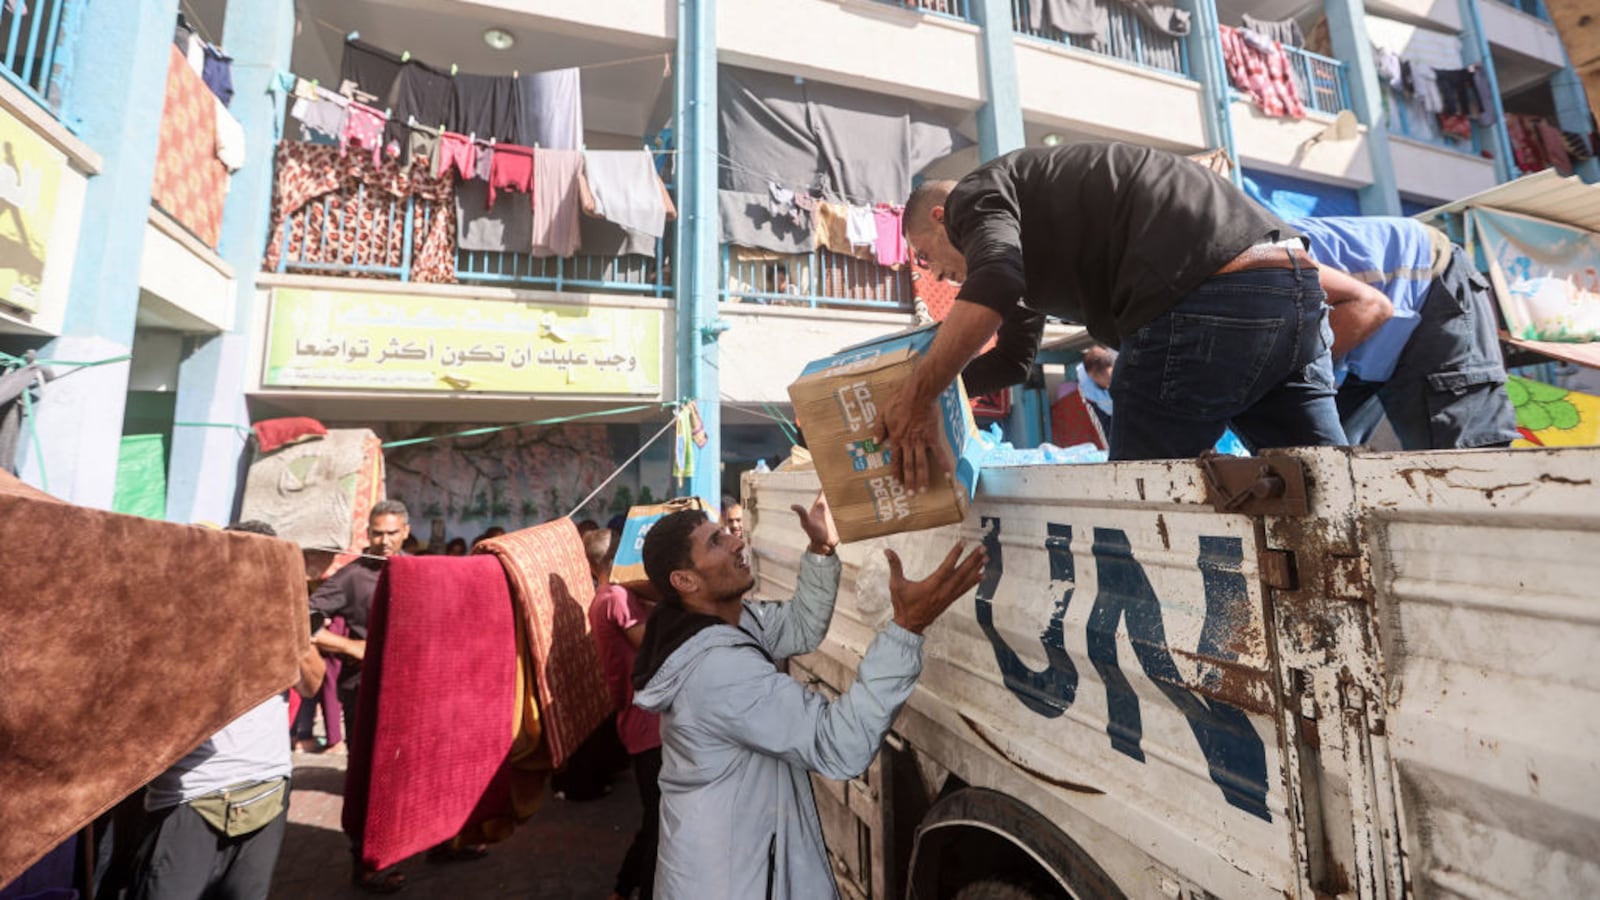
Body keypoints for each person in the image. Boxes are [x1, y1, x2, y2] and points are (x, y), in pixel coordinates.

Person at [891, 141, 1345, 480]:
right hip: (1291, 283)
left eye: (923, 257)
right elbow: (1014, 360)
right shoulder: (1018, 245)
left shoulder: (973, 197)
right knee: (1322, 485)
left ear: (938, 216)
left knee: (1143, 506)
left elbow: (996, 280)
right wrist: (937, 390)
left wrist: (917, 395)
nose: (933, 276)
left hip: (1204, 287)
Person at [631, 494, 987, 899]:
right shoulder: (719, 673)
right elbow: (840, 744)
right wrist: (908, 627)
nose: (736, 541)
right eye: (716, 541)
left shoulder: (724, 621)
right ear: (686, 581)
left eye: (727, 532)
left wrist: (821, 550)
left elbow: (799, 627)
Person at [132, 521, 326, 900]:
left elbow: (312, 682)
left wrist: (288, 616)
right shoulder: (186, 615)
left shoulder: (282, 620)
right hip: (192, 796)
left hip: (266, 787)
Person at [1292, 215, 1520, 449]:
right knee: (1309, 459)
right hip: (1361, 345)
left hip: (1423, 286)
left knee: (1460, 462)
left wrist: (1288, 373)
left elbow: (1372, 306)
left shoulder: (1264, 261)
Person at [585, 529, 662, 900]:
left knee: (657, 820)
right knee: (659, 822)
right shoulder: (617, 596)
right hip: (646, 722)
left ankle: (623, 888)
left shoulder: (604, 596)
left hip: (639, 718)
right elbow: (647, 643)